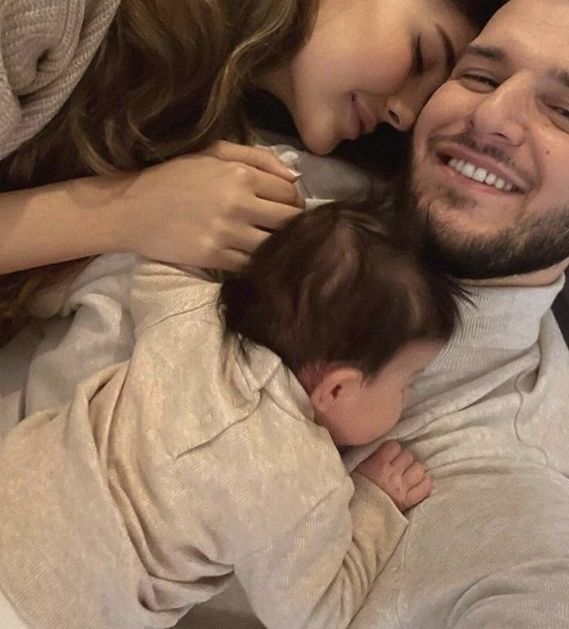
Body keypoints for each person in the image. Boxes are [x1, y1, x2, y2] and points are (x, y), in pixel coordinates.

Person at [0, 201, 465, 628]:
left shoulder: (194, 319)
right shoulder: (302, 483)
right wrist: (375, 503)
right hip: (61, 612)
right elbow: (313, 614)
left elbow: (154, 270)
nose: (408, 396)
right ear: (337, 388)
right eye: (408, 382)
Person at [0, 0, 505, 340]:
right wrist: (126, 210)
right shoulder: (57, 16)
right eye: (422, 56)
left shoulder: (206, 115)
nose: (406, 114)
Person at [338, 1, 569, 626]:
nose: (491, 116)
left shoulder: (520, 491)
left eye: (566, 113)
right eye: (481, 78)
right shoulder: (276, 177)